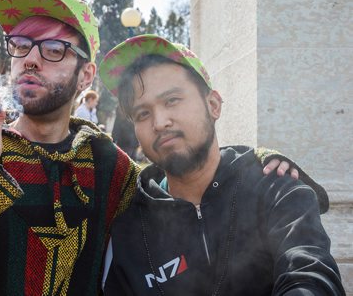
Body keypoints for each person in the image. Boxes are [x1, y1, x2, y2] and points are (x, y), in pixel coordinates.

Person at [0, 0, 306, 295]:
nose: (31, 59)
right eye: (20, 46)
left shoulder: (107, 165)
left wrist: (255, 161)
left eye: (54, 49)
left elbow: (178, 179)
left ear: (86, 75)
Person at [98, 34, 344, 295]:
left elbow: (311, 276)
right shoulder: (128, 234)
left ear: (213, 105)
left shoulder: (275, 188)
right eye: (143, 113)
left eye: (172, 100)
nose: (159, 122)